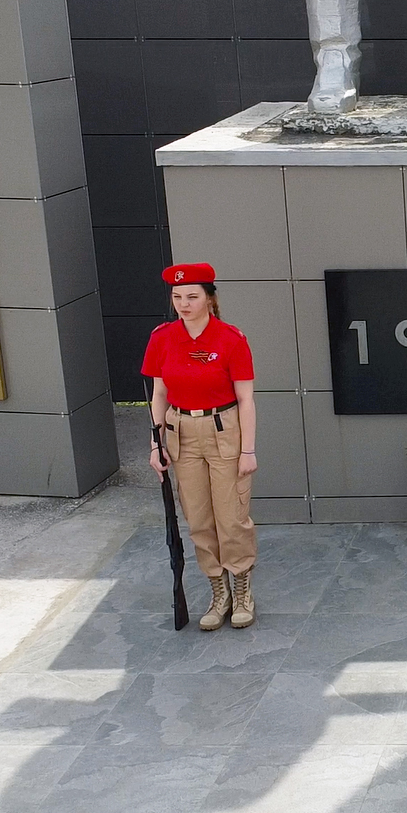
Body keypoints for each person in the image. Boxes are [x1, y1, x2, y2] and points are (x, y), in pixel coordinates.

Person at [143, 263, 261, 630]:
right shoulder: (162, 337)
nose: (184, 304)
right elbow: (159, 394)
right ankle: (218, 591)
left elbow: (246, 399)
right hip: (181, 432)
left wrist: (248, 449)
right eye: (177, 297)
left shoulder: (230, 338)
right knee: (198, 517)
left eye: (192, 296)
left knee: (231, 516)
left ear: (210, 298)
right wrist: (155, 443)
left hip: (223, 429)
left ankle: (241, 589)